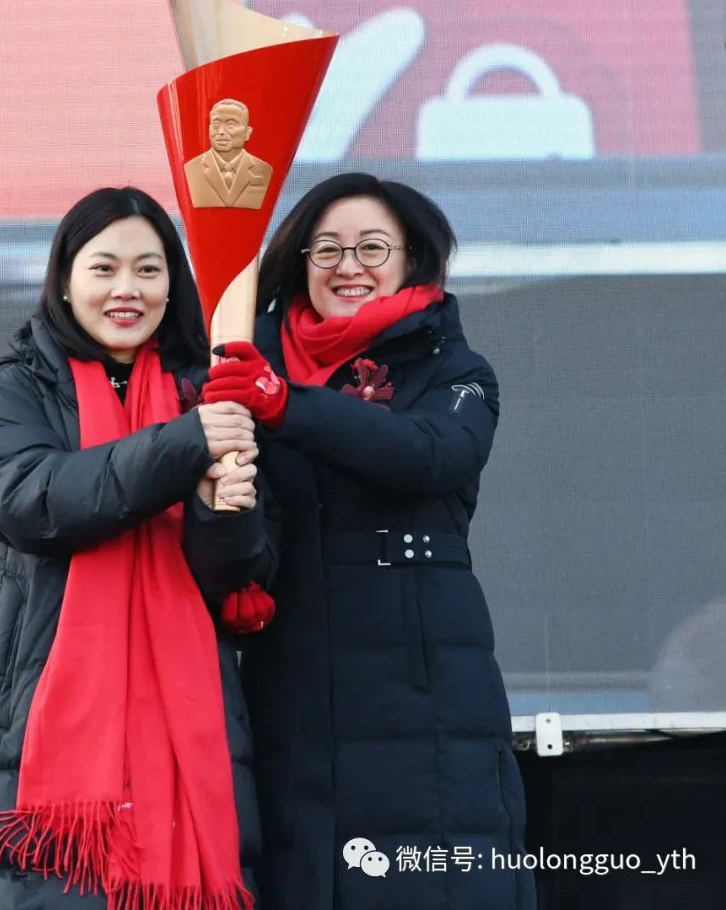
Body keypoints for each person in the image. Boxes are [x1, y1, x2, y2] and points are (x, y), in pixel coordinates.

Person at [202, 172, 537, 910]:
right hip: (288, 693)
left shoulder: (456, 373)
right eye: (326, 249)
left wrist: (284, 404)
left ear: (411, 257)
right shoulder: (242, 368)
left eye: (371, 248)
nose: (347, 266)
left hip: (424, 702)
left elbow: (426, 454)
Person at [0, 187, 274, 910]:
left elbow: (239, 574)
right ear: (65, 282)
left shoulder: (211, 398)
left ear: (174, 285)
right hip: (39, 753)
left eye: (148, 270)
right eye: (104, 268)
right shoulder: (9, 393)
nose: (127, 289)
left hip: (190, 742)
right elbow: (34, 502)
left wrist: (219, 509)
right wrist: (185, 446)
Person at [184, 99, 273, 210]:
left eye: (230, 125)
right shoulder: (193, 168)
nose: (221, 131)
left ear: (247, 133)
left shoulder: (262, 169)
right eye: (216, 125)